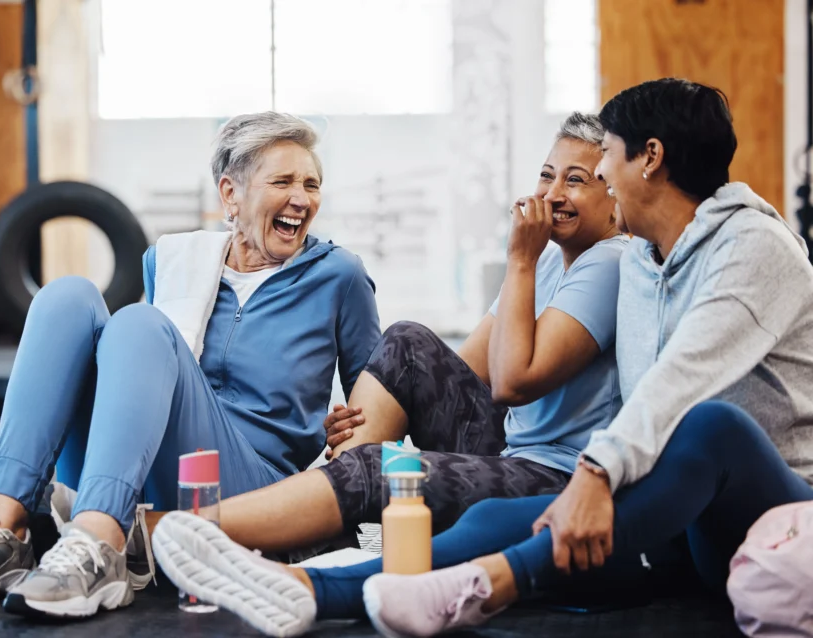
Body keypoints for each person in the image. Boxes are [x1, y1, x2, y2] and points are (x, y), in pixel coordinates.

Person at [151, 78, 813, 638]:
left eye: (601, 160)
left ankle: (483, 579)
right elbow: (470, 375)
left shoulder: (753, 249)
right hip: (673, 510)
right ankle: (308, 585)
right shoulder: (645, 257)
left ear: (650, 159)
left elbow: (674, 385)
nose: (599, 177)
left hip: (768, 507)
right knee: (491, 513)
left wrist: (594, 475)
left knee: (710, 424)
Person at [0, 112, 382, 620]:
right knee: (67, 296)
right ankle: (3, 529)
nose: (302, 198)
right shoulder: (171, 261)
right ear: (231, 194)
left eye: (312, 184)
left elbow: (380, 406)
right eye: (283, 181)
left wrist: (348, 432)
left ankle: (100, 543)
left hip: (253, 487)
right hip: (144, 467)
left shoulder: (339, 276)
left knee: (139, 323)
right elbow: (159, 380)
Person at [211, 112, 628, 555]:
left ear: (613, 195)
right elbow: (458, 377)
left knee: (381, 470)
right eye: (547, 176)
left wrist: (520, 259)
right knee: (406, 342)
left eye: (576, 180)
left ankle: (201, 531)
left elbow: (511, 382)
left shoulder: (608, 262)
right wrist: (360, 420)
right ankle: (327, 506)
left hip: (560, 476)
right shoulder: (546, 261)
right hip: (512, 449)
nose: (552, 194)